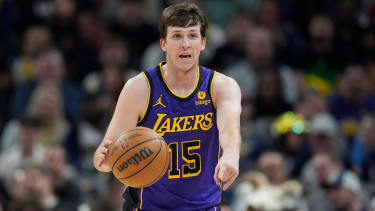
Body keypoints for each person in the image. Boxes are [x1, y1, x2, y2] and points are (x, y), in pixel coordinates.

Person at [93, 2, 242, 211]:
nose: (185, 44)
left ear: (203, 43)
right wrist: (104, 158)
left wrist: (231, 155)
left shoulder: (222, 86)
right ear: (163, 43)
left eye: (192, 35)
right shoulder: (139, 88)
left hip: (204, 207)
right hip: (148, 207)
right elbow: (110, 153)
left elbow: (230, 128)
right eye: (177, 36)